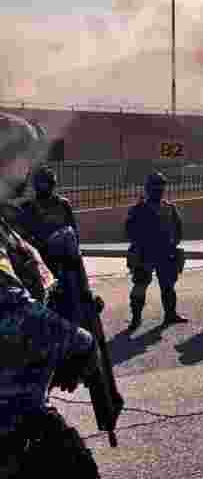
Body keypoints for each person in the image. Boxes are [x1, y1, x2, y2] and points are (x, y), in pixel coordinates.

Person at [0, 112, 103, 476]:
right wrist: (79, 342)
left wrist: (70, 302)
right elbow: (12, 314)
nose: (28, 174)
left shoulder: (6, 224)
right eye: (22, 162)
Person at [125, 172, 186, 329]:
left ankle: (170, 315)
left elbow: (178, 228)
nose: (158, 190)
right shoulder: (138, 208)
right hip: (144, 253)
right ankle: (136, 318)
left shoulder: (169, 207)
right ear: (148, 189)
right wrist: (140, 245)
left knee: (168, 286)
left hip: (165, 252)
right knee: (140, 285)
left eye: (160, 186)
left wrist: (173, 244)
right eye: (155, 187)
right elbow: (129, 231)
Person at [18, 166, 77, 268]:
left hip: (64, 253)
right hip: (41, 254)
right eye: (42, 184)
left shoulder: (63, 204)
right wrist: (37, 244)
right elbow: (23, 234)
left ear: (52, 184)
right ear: (36, 185)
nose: (44, 187)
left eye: (47, 183)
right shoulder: (29, 206)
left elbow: (73, 229)